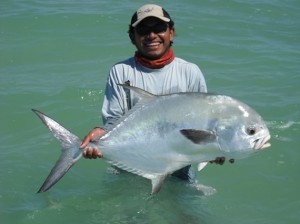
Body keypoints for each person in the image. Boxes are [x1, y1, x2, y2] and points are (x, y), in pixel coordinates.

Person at [80, 4, 224, 183]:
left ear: (171, 32)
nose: (152, 35)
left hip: (179, 171)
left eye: (159, 28)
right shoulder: (121, 71)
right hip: (130, 167)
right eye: (143, 30)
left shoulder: (190, 72)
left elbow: (202, 123)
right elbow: (113, 120)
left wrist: (216, 149)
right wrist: (101, 134)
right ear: (133, 37)